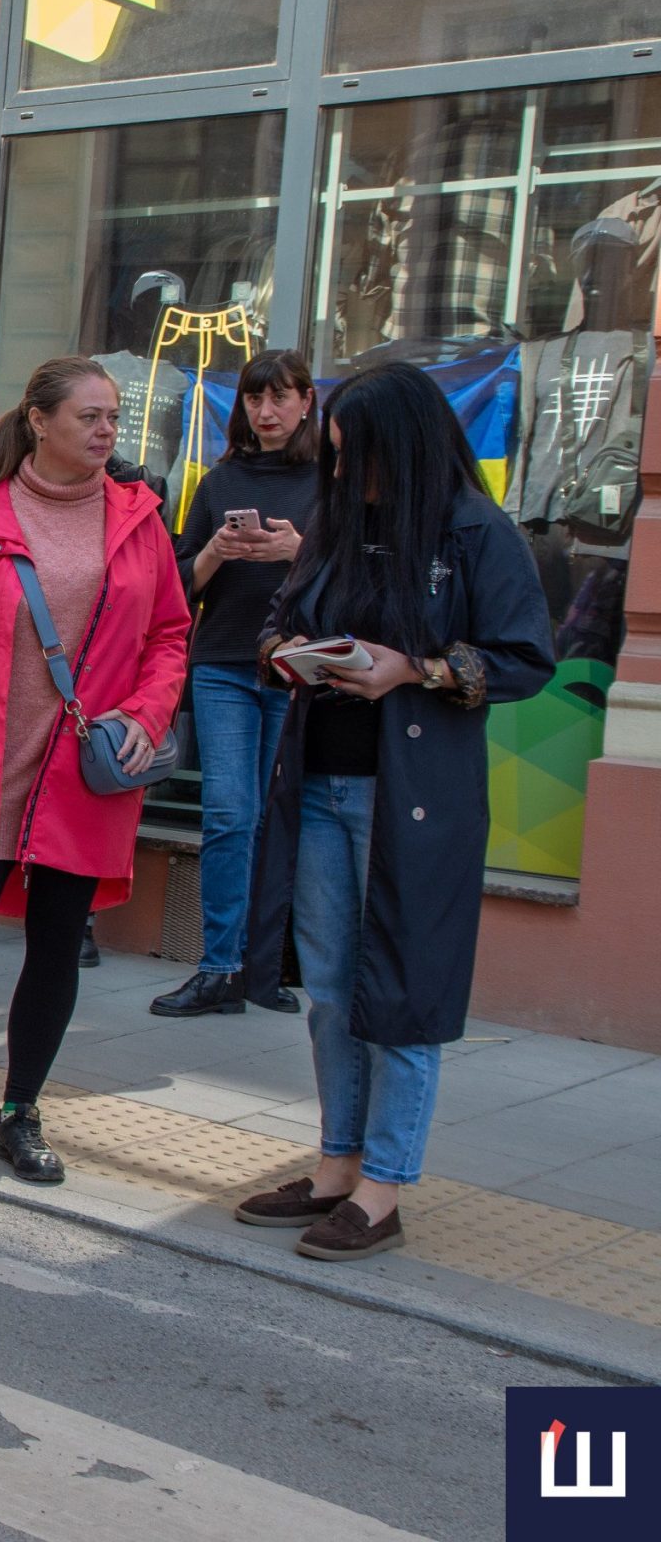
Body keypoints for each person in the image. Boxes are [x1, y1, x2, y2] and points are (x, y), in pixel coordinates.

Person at [230, 363, 553, 1262]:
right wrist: (289, 652)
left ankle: (384, 1186)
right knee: (331, 990)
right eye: (337, 456)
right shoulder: (340, 521)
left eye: (357, 457)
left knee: (402, 991)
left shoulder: (475, 529)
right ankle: (337, 1164)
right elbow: (275, 621)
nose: (344, 473)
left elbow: (525, 658)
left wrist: (417, 668)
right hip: (320, 783)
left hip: (409, 795)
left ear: (404, 451)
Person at [0, 357, 190, 1189]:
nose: (106, 431)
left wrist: (146, 715)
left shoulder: (138, 519)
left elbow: (170, 634)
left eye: (113, 417)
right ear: (40, 422)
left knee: (58, 944)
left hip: (80, 778)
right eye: (90, 416)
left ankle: (20, 1115)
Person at [152, 349, 320, 1018]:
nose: (266, 411)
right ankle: (219, 966)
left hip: (297, 668)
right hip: (223, 661)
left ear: (306, 401)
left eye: (280, 397)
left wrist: (299, 552)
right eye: (255, 399)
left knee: (279, 818)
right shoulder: (219, 479)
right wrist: (215, 552)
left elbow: (353, 580)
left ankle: (263, 966)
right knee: (229, 813)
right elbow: (177, 588)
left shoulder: (329, 482)